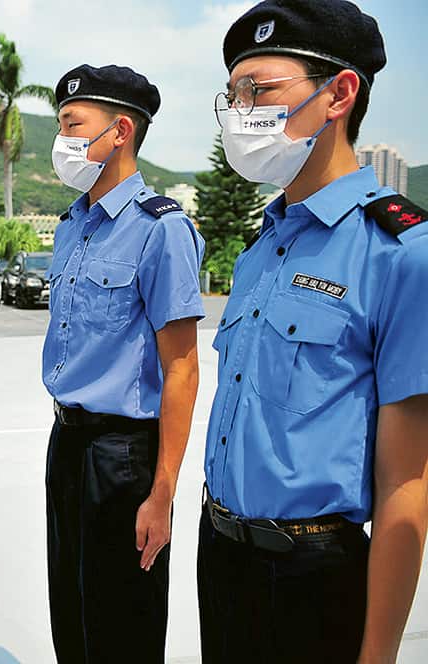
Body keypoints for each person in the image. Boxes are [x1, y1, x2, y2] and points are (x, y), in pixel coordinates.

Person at [199, 1, 428, 662]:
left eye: (260, 90)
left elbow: (406, 486)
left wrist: (377, 652)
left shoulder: (401, 253)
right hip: (220, 557)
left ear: (339, 94)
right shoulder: (260, 250)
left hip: (313, 578)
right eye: (234, 94)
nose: (241, 111)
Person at [42, 65, 205, 662]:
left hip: (123, 457)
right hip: (67, 445)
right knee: (72, 612)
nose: (61, 140)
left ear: (120, 131)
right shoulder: (72, 227)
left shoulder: (162, 230)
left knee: (122, 625)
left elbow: (182, 368)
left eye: (72, 124)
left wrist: (162, 493)